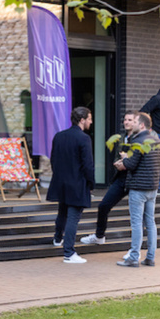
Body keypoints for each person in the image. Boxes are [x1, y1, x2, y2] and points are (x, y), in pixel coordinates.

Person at [114, 112, 160, 267]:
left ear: (142, 125)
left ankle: (134, 257)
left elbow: (131, 164)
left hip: (138, 187)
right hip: (152, 187)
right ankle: (150, 257)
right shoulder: (157, 141)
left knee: (136, 223)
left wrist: (123, 160)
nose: (132, 124)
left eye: (135, 121)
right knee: (150, 221)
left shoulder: (138, 142)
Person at [46, 106, 96, 264]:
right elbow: (88, 165)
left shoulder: (59, 136)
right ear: (82, 120)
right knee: (73, 218)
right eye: (89, 119)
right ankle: (69, 253)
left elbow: (53, 159)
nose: (91, 122)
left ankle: (57, 238)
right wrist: (91, 182)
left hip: (61, 182)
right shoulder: (84, 138)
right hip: (77, 183)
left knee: (62, 212)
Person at [80, 111, 136, 246]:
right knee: (104, 206)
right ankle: (99, 236)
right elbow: (118, 156)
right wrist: (118, 163)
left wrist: (126, 164)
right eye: (125, 119)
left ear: (136, 122)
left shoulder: (140, 139)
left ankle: (137, 249)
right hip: (121, 179)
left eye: (129, 120)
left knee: (138, 215)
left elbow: (139, 161)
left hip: (135, 179)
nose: (126, 122)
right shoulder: (122, 138)